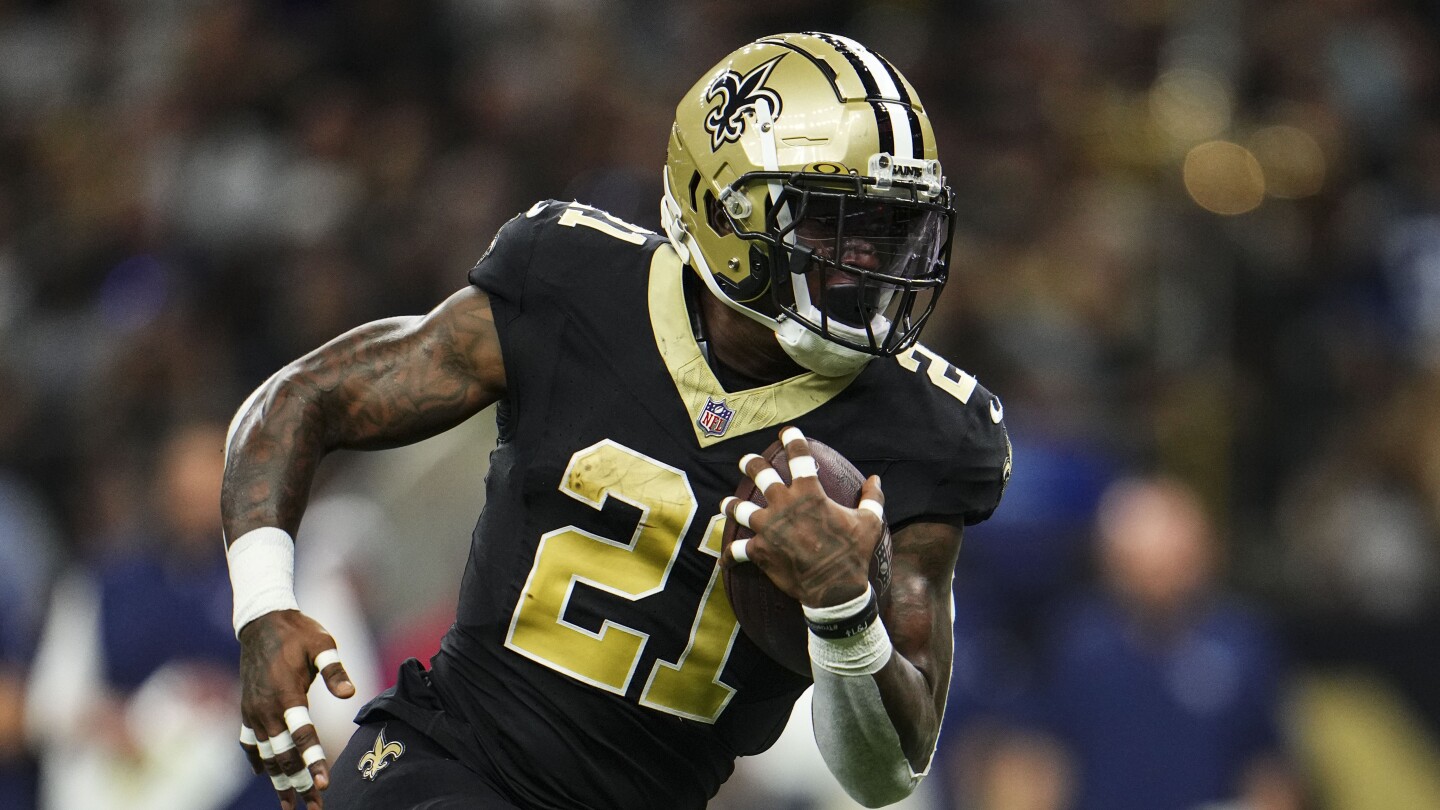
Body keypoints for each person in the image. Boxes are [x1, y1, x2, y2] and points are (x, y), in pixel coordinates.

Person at [220, 32, 1011, 810]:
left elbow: (885, 777)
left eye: (890, 228)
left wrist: (844, 612)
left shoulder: (926, 432)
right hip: (449, 763)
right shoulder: (574, 283)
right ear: (724, 208)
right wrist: (261, 605)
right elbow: (301, 397)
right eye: (833, 223)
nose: (869, 261)